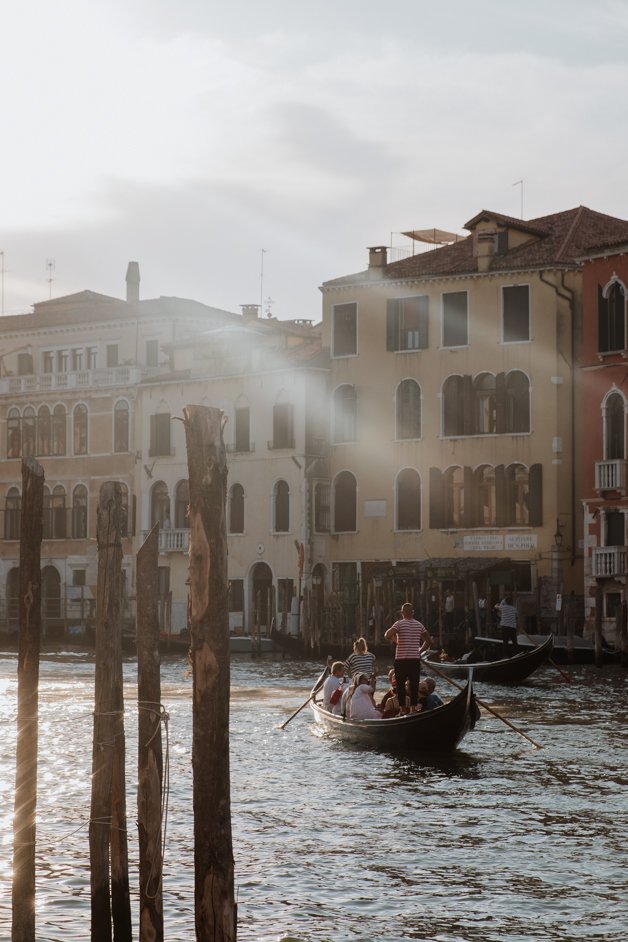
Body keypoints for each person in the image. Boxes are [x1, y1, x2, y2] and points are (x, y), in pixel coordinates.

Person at [384, 602, 433, 714]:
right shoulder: (419, 625)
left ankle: (402, 710)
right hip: (414, 659)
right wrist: (419, 651)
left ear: (402, 613)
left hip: (401, 659)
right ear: (412, 613)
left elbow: (386, 635)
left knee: (400, 685)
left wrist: (394, 640)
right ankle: (412, 709)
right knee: (414, 685)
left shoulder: (399, 624)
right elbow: (429, 641)